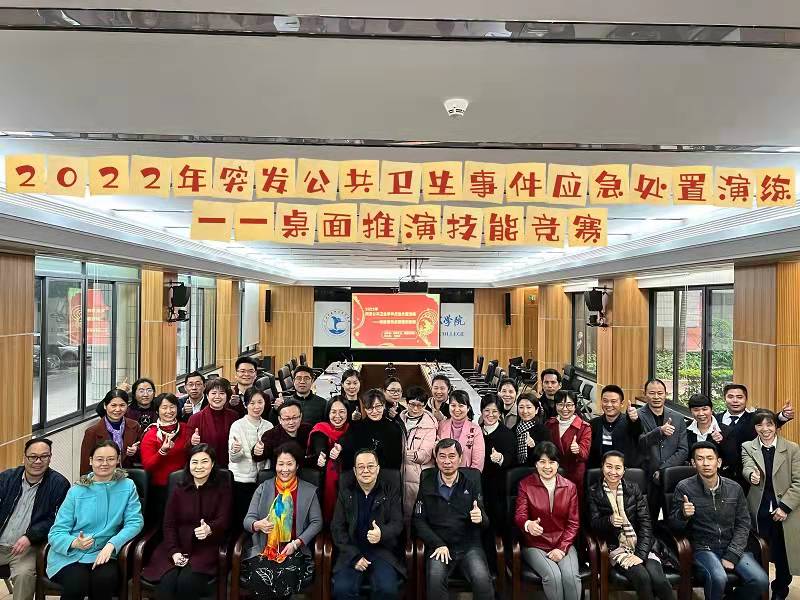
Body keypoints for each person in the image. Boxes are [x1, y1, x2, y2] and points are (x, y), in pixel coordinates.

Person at [669, 441, 768, 600]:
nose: (706, 463)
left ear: (719, 462)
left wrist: (732, 554)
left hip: (732, 546)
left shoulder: (734, 488)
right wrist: (683, 515)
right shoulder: (684, 488)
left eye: (710, 458)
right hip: (703, 548)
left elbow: (743, 524)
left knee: (761, 581)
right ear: (693, 463)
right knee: (718, 578)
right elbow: (674, 526)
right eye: (700, 459)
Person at [47, 440, 144, 600]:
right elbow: (56, 532)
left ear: (118, 460)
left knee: (104, 581)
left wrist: (112, 544)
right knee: (76, 584)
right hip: (71, 555)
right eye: (99, 459)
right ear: (91, 460)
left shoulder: (127, 486)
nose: (105, 464)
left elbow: (135, 522)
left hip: (105, 552)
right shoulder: (76, 491)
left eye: (110, 459)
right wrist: (74, 543)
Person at [142, 444, 232, 600]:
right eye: (194, 462)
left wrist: (210, 529)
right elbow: (169, 524)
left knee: (186, 583)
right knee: (167, 584)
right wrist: (174, 551)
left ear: (212, 464)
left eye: (204, 461)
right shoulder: (179, 488)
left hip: (206, 549)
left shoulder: (222, 489)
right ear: (188, 464)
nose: (199, 466)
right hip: (176, 545)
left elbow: (225, 520)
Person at [588, 450, 675, 600]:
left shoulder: (633, 489)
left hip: (643, 544)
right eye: (609, 466)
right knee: (643, 578)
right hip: (617, 548)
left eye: (618, 468)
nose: (613, 472)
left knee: (659, 580)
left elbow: (646, 523)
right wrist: (608, 521)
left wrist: (640, 555)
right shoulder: (593, 492)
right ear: (602, 467)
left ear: (624, 470)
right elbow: (593, 524)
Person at [413, 439, 493, 600]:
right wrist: (437, 543)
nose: (447, 461)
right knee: (435, 581)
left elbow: (485, 522)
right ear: (436, 458)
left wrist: (480, 518)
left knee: (482, 580)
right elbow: (418, 520)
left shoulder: (471, 481)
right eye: (442, 456)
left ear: (460, 458)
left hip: (469, 546)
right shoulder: (427, 482)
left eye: (452, 456)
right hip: (439, 545)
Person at [242, 444, 323, 597]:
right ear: (275, 466)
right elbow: (248, 520)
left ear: (297, 466)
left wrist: (297, 543)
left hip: (295, 550)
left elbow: (317, 522)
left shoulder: (308, 490)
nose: (284, 469)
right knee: (260, 576)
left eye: (289, 464)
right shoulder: (263, 488)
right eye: (280, 464)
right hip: (264, 548)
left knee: (285, 576)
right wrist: (257, 524)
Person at [0, 439, 70, 600]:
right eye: (33, 457)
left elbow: (58, 521)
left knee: (24, 575)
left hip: (28, 548)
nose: (38, 461)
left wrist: (30, 536)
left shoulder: (59, 484)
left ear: (50, 458)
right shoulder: (7, 478)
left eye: (44, 456)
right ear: (24, 457)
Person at [741, 410, 800, 600]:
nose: (765, 429)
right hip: (759, 510)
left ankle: (780, 589)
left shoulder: (792, 448)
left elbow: (798, 482)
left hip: (785, 511)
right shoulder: (748, 446)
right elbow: (746, 466)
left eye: (769, 424)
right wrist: (751, 475)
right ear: (755, 427)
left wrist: (785, 507)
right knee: (758, 552)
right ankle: (759, 589)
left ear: (776, 426)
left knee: (783, 554)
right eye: (760, 425)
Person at [331, 449, 405, 600]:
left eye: (370, 466)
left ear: (378, 469)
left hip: (381, 552)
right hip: (352, 552)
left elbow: (397, 523)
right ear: (354, 470)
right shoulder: (346, 492)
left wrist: (382, 533)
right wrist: (354, 556)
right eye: (361, 467)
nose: (366, 471)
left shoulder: (390, 491)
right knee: (342, 590)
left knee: (387, 590)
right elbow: (337, 528)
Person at [514, 441, 581, 600]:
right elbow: (520, 515)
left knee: (571, 577)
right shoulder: (525, 485)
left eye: (552, 462)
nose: (547, 466)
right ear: (536, 464)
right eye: (542, 462)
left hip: (563, 543)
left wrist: (562, 548)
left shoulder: (570, 487)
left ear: (558, 464)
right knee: (553, 577)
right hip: (535, 544)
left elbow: (573, 523)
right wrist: (528, 524)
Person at [715, 383, 794, 485]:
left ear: (746, 399)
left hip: (749, 475)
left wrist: (784, 415)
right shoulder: (715, 419)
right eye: (730, 397)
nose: (735, 400)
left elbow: (770, 421)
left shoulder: (754, 418)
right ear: (724, 398)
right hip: (719, 475)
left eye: (739, 397)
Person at [637, 379, 688, 519]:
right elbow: (639, 444)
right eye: (652, 393)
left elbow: (683, 450)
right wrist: (659, 431)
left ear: (666, 394)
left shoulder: (678, 418)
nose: (656, 397)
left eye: (660, 393)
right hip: (646, 476)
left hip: (672, 476)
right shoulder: (637, 416)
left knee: (673, 517)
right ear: (645, 394)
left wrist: (663, 470)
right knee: (647, 518)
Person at [139, 393, 189, 524]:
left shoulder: (186, 428)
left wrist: (194, 444)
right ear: (157, 411)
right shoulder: (151, 434)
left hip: (185, 485)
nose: (169, 411)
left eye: (172, 407)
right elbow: (148, 465)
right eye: (164, 407)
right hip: (161, 489)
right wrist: (162, 452)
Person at [229, 388, 273, 527]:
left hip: (263, 479)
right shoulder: (237, 426)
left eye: (260, 402)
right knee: (243, 518)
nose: (256, 406)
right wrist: (236, 451)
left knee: (262, 516)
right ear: (245, 404)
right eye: (252, 403)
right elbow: (234, 459)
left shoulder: (269, 426)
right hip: (242, 480)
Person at [307, 398, 350, 522]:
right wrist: (321, 455)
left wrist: (341, 448)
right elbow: (320, 444)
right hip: (324, 478)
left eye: (342, 412)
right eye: (333, 412)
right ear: (328, 412)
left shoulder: (352, 429)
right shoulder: (321, 428)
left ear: (348, 413)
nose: (337, 416)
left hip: (348, 476)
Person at [399, 385, 438, 519]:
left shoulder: (429, 425)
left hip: (418, 475)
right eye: (412, 404)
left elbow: (426, 453)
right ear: (406, 402)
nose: (415, 409)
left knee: (417, 513)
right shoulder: (399, 420)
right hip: (400, 472)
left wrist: (416, 455)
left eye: (420, 405)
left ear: (425, 405)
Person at [80, 389, 141, 475]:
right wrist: (86, 481)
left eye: (122, 405)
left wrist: (136, 450)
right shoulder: (92, 432)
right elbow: (85, 464)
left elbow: (143, 452)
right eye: (113, 405)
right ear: (105, 406)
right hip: (102, 477)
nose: (118, 409)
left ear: (127, 406)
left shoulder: (134, 426)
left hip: (129, 476)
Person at [341, 389, 404, 471]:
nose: (374, 411)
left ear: (384, 406)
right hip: (362, 474)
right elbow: (349, 458)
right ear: (365, 408)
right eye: (370, 407)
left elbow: (396, 459)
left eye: (378, 406)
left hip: (387, 475)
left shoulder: (394, 428)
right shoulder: (356, 428)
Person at [545, 391, 591, 502]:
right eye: (560, 405)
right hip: (552, 474)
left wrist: (578, 450)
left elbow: (585, 454)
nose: (565, 409)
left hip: (574, 475)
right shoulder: (549, 424)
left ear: (575, 406)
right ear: (555, 405)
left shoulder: (584, 427)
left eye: (569, 405)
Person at [480, 393, 517, 528]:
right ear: (481, 411)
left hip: (497, 486)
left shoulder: (507, 434)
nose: (490, 415)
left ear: (500, 413)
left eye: (495, 411)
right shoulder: (476, 431)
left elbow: (512, 459)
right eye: (487, 410)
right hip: (478, 483)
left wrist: (500, 458)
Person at [185, 378, 238, 466]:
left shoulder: (234, 416)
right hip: (204, 467)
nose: (217, 397)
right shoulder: (195, 418)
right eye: (213, 393)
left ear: (227, 396)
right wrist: (192, 442)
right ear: (207, 395)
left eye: (222, 393)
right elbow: (186, 448)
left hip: (229, 466)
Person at [685, 394, 738, 481]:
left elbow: (733, 460)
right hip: (690, 478)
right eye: (696, 410)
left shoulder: (726, 430)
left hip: (719, 478)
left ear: (711, 409)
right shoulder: (685, 428)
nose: (701, 413)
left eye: (705, 409)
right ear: (691, 411)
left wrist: (722, 441)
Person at [587, 385, 642, 469]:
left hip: (623, 470)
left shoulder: (629, 422)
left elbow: (638, 430)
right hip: (598, 470)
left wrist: (635, 420)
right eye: (605, 401)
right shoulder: (593, 424)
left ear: (622, 403)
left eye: (613, 401)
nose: (609, 405)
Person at [255, 401, 313, 467]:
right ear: (280, 419)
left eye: (294, 418)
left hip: (306, 471)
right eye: (287, 419)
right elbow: (258, 457)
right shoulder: (270, 435)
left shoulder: (309, 430)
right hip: (282, 471)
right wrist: (257, 452)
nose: (291, 422)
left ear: (300, 416)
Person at [437, 390, 484, 471]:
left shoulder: (475, 430)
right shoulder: (441, 425)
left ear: (468, 408)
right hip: (444, 474)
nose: (457, 409)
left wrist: (470, 478)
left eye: (461, 406)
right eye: (453, 405)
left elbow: (478, 462)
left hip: (466, 476)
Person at [514, 394, 552, 466]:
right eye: (521, 407)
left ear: (536, 410)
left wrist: (535, 445)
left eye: (529, 407)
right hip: (515, 469)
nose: (525, 411)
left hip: (536, 468)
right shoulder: (514, 429)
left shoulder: (543, 430)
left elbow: (549, 454)